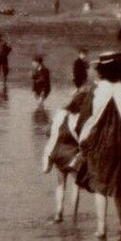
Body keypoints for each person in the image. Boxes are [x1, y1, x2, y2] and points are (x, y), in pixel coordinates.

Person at [75, 52, 121, 239]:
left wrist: (82, 142)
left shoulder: (95, 91)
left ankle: (101, 228)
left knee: (100, 187)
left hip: (99, 145)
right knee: (120, 186)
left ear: (101, 71)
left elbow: (84, 119)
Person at [41, 92, 88, 222]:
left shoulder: (60, 112)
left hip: (56, 153)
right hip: (72, 155)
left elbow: (47, 132)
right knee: (76, 185)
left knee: (60, 184)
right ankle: (73, 216)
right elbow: (83, 139)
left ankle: (58, 213)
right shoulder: (80, 117)